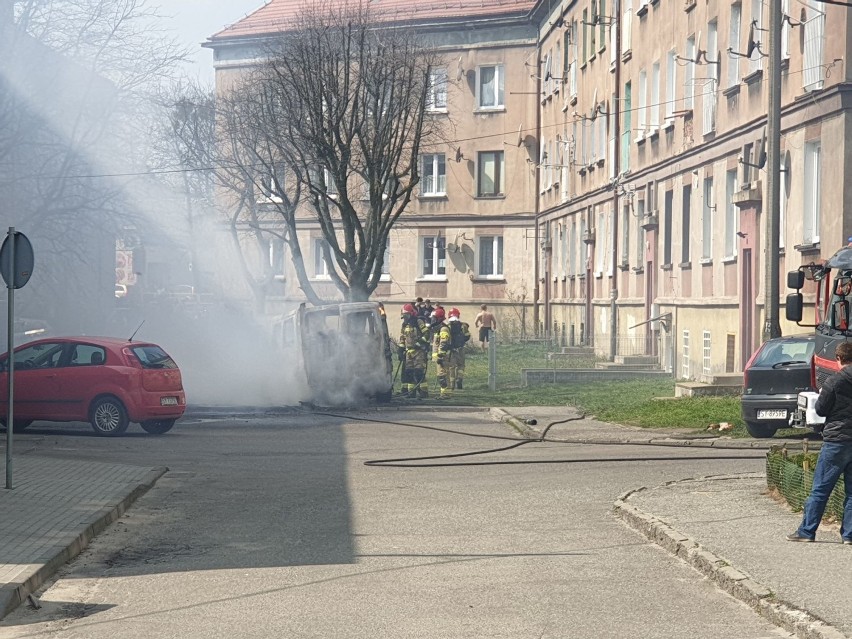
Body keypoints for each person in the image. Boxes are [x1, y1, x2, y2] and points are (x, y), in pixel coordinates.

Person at [786, 341, 852, 544]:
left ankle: (807, 531)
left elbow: (821, 409)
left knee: (821, 489)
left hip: (836, 440)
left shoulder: (834, 382)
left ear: (838, 359)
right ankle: (849, 535)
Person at [398, 303, 430, 398]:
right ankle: (411, 393)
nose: (405, 317)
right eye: (404, 315)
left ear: (411, 314)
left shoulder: (418, 321)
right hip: (409, 352)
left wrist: (419, 343)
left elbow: (427, 334)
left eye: (406, 315)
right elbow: (402, 338)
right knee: (409, 373)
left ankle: (424, 392)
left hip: (419, 352)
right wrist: (400, 349)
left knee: (419, 372)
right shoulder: (404, 325)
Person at [431, 307, 453, 400]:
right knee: (441, 375)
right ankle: (444, 393)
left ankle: (446, 394)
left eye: (434, 318)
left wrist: (440, 355)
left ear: (439, 318)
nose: (432, 320)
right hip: (439, 357)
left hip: (443, 357)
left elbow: (444, 343)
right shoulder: (438, 329)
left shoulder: (443, 329)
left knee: (443, 375)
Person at [447, 308, 471, 389]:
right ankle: (459, 378)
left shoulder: (447, 326)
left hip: (452, 350)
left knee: (451, 366)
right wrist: (461, 342)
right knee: (461, 365)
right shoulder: (463, 325)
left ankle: (452, 384)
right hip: (461, 348)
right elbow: (467, 336)